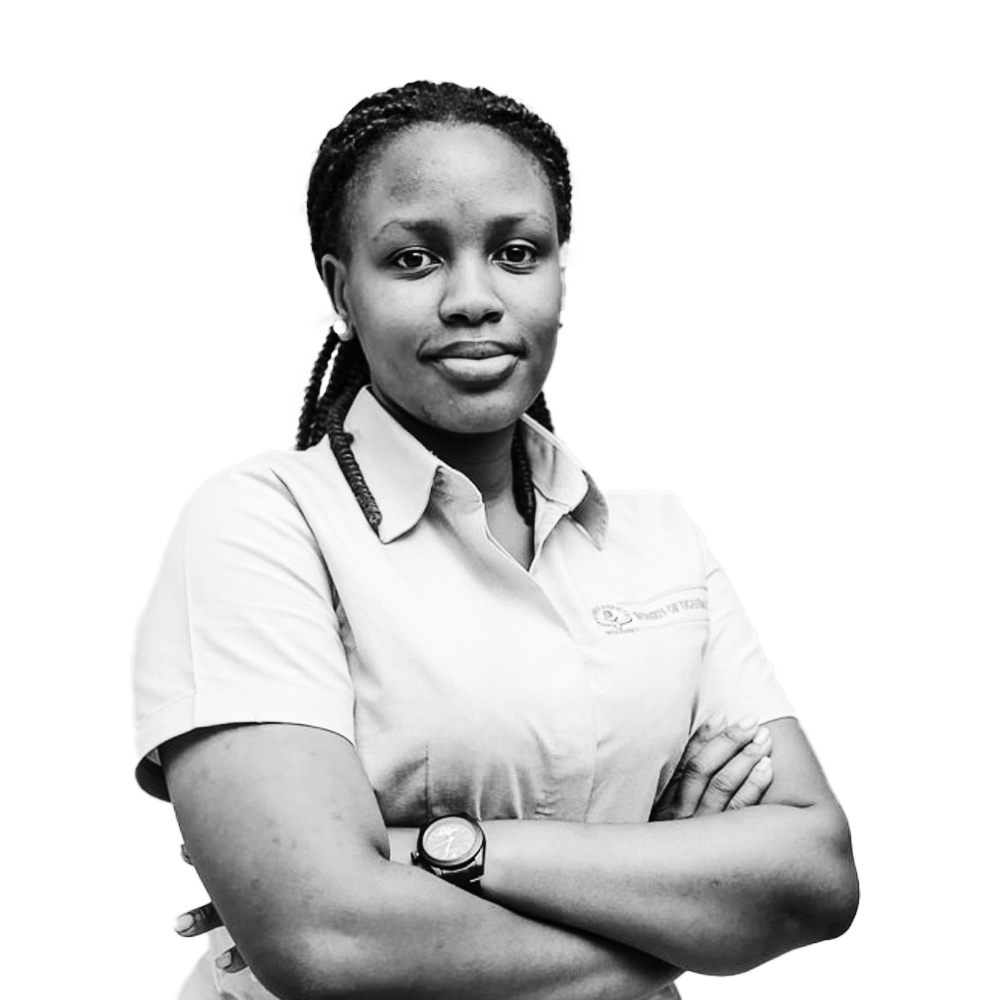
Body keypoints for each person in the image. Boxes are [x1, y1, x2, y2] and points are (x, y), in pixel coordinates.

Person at [132, 80, 859, 1000]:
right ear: (342, 289)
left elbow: (817, 876)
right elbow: (329, 940)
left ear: (560, 274)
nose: (473, 298)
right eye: (413, 259)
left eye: (518, 253)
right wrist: (692, 911)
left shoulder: (656, 538)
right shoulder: (262, 526)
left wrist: (425, 850)